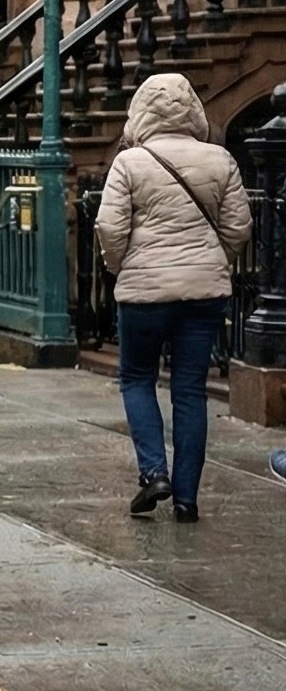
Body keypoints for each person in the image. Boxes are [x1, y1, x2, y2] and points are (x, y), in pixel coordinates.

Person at [95, 72, 250, 524]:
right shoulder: (220, 160)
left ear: (141, 111)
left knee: (138, 379)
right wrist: (211, 260)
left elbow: (109, 228)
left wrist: (121, 266)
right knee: (190, 391)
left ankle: (153, 473)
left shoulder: (130, 163)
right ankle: (187, 499)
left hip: (144, 294)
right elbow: (239, 227)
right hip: (205, 295)